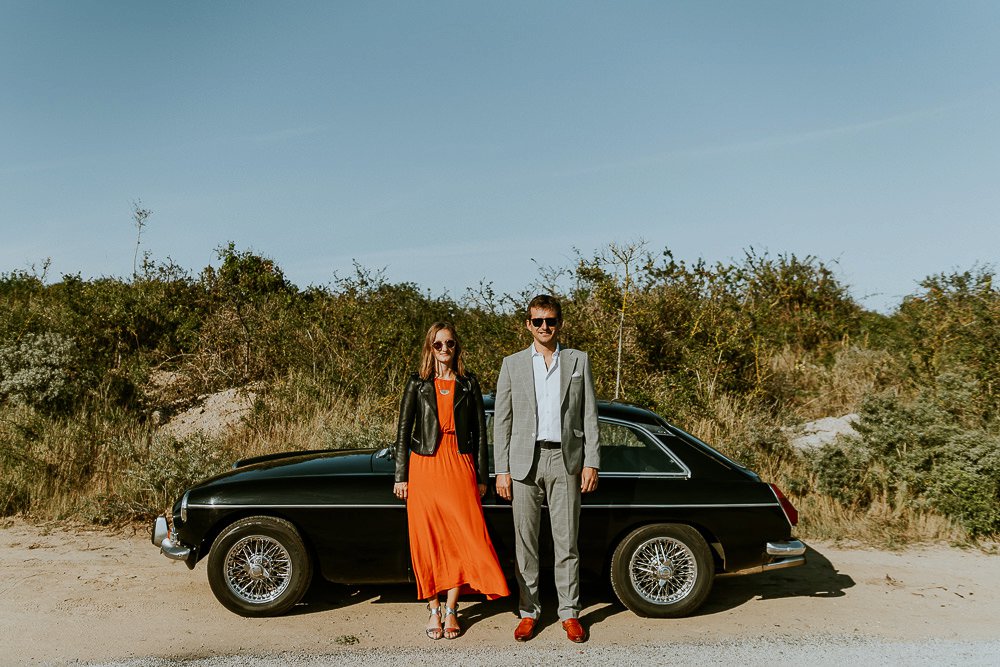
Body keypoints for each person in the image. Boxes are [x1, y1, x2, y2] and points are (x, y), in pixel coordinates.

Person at [493, 294, 600, 643]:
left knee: (566, 542)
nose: (544, 327)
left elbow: (589, 415)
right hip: (525, 461)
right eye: (537, 321)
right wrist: (502, 470)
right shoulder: (512, 364)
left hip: (565, 460)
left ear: (559, 323)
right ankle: (529, 611)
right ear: (528, 324)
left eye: (550, 321)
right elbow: (502, 421)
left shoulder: (578, 360)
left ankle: (569, 613)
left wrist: (591, 462)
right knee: (526, 543)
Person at [393, 322, 510, 640]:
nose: (445, 349)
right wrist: (401, 476)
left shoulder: (469, 383)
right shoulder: (417, 383)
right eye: (438, 344)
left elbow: (481, 432)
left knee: (461, 536)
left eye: (450, 344)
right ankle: (433, 609)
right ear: (430, 347)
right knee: (428, 538)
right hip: (424, 465)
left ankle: (452, 609)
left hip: (460, 464)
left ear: (457, 347)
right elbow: (403, 431)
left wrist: (483, 476)